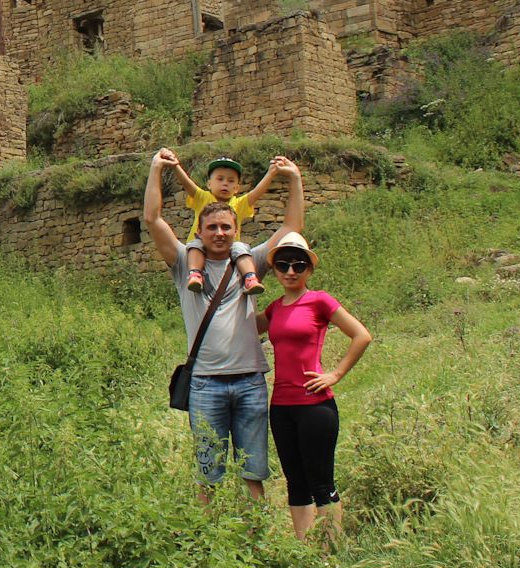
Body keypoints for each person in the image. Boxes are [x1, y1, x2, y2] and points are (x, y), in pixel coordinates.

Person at [143, 148, 304, 500]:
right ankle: (206, 543)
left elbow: (291, 227)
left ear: (236, 230)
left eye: (226, 227)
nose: (219, 233)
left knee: (253, 473)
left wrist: (294, 179)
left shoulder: (253, 262)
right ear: (199, 231)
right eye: (212, 227)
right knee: (207, 475)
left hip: (250, 381)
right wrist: (156, 169)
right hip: (205, 384)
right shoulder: (185, 263)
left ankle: (254, 540)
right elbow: (153, 219)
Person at [256, 232, 372, 542]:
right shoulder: (275, 307)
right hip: (281, 407)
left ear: (309, 269)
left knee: (321, 482)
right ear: (275, 270)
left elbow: (361, 335)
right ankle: (303, 550)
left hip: (314, 407)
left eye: (298, 264)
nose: (290, 271)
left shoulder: (319, 300)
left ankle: (328, 557)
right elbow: (241, 326)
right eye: (282, 265)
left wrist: (335, 374)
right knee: (295, 482)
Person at [168, 157, 280, 295]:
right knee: (196, 245)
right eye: (220, 179)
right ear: (209, 184)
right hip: (203, 248)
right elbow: (187, 183)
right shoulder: (203, 198)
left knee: (241, 249)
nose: (225, 184)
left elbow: (257, 192)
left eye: (231, 180)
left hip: (228, 252)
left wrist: (272, 172)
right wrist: (175, 165)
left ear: (237, 188)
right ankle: (195, 275)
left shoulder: (239, 204)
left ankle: (250, 278)